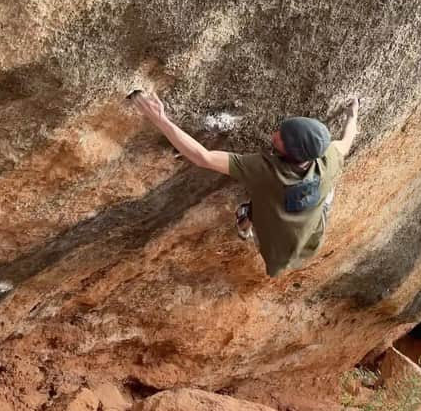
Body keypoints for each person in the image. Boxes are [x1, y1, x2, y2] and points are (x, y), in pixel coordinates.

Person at [131, 93, 359, 277]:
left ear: (290, 153)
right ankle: (251, 219)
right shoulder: (328, 158)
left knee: (250, 209)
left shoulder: (264, 170)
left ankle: (245, 227)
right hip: (310, 235)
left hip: (277, 243)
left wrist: (160, 119)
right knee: (326, 192)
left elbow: (203, 157)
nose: (275, 133)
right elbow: (347, 141)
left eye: (281, 137)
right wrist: (352, 115)